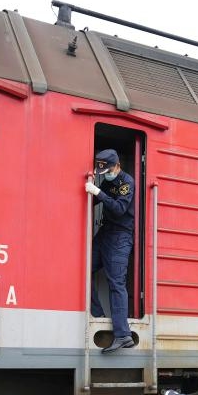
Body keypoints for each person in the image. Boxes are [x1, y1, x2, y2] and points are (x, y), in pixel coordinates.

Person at [85, 148, 135, 354]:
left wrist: (98, 192)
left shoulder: (127, 183)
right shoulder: (108, 178)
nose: (106, 175)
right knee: (84, 271)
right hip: (106, 233)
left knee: (116, 284)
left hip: (120, 237)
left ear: (116, 166)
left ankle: (123, 336)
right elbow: (98, 199)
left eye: (108, 171)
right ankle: (97, 315)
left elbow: (119, 208)